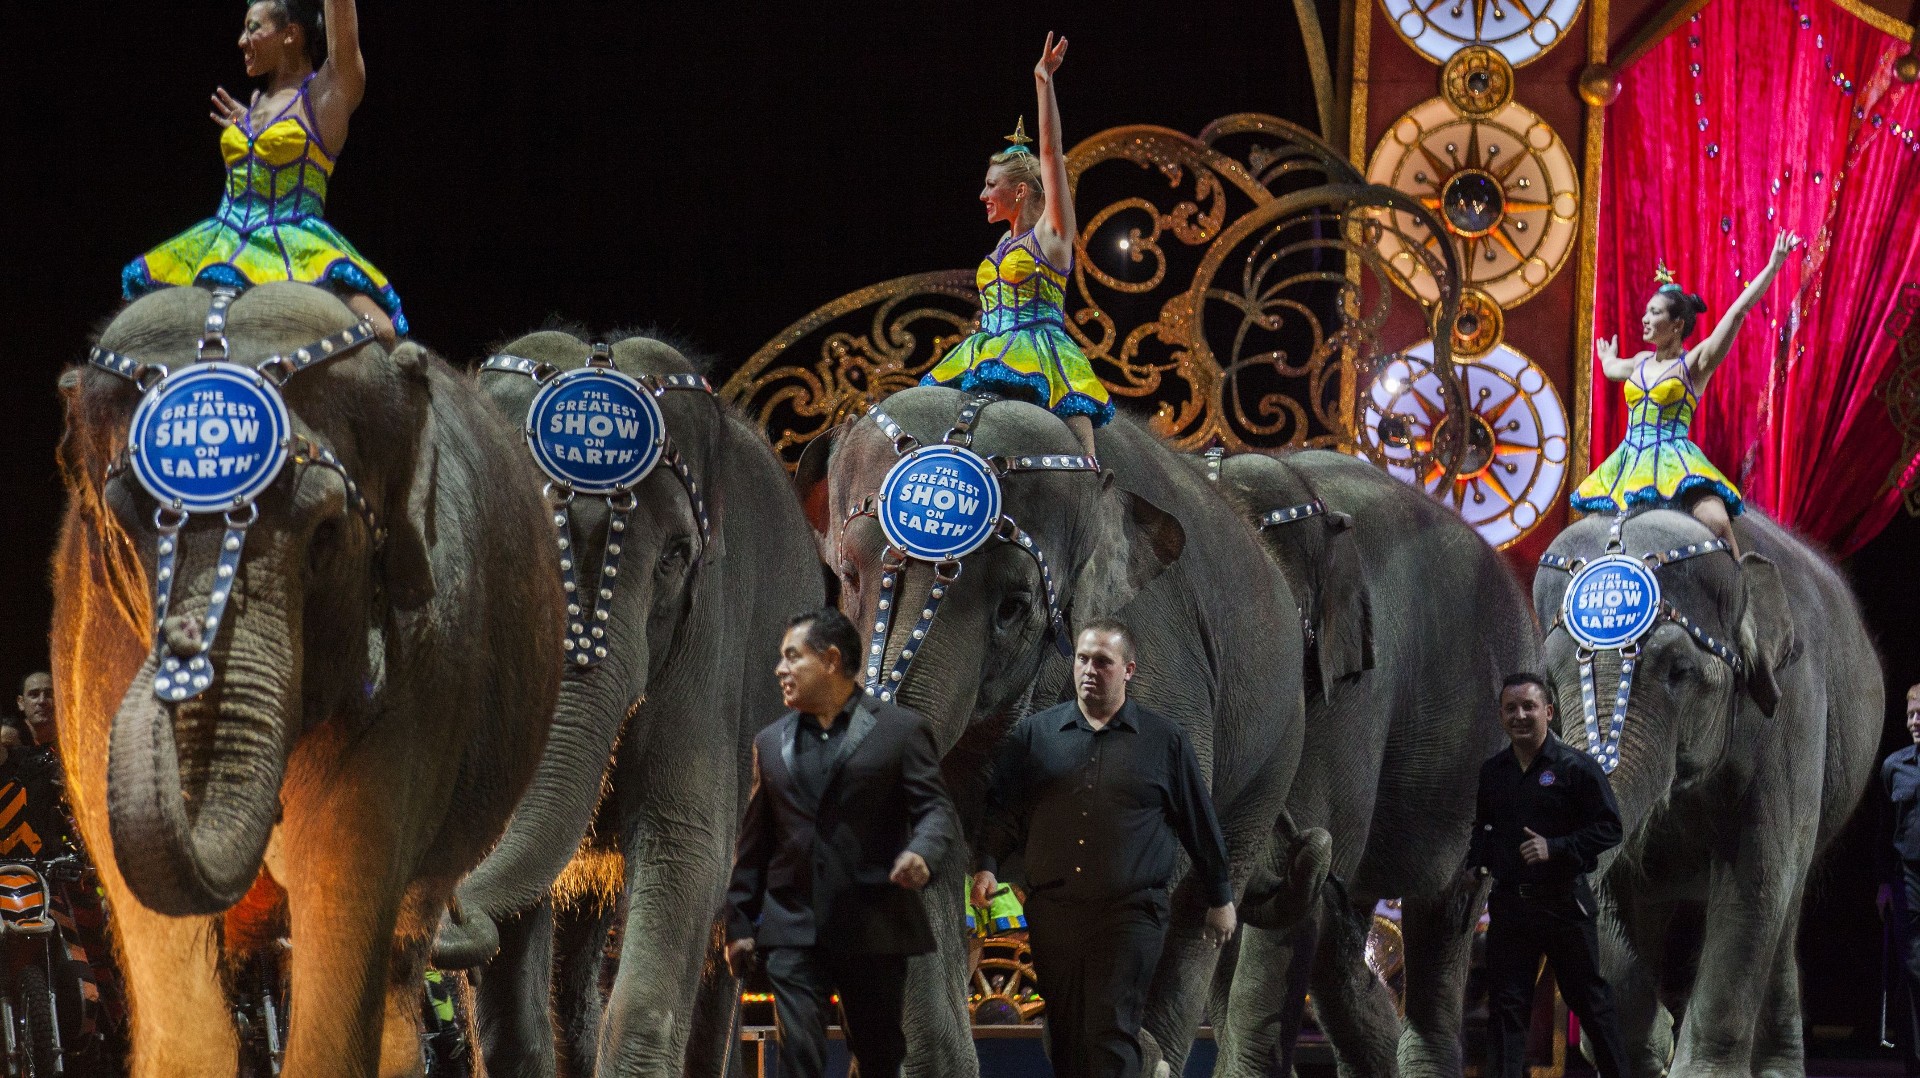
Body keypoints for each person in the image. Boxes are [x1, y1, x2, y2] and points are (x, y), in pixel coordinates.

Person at [972, 619, 1235, 1078]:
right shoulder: (1035, 736)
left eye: (1102, 661)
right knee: (1069, 1037)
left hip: (1130, 912)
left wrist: (1221, 897)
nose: (1089, 669)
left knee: (1109, 1030)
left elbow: (1200, 822)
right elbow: (1002, 812)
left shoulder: (1165, 741)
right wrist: (988, 866)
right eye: (1082, 658)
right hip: (1054, 909)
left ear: (1128, 670)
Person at [724, 608, 959, 1078]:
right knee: (800, 1055)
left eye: (793, 657)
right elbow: (756, 841)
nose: (780, 669)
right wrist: (738, 922)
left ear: (831, 660)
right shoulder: (770, 742)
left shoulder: (901, 731)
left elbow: (936, 810)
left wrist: (923, 853)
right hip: (792, 926)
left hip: (874, 923)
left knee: (878, 1056)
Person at [121, 0, 407, 342]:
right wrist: (253, 128)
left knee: (384, 333)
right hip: (222, 238)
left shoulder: (323, 98)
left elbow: (344, 36)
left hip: (296, 241)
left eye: (253, 28)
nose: (242, 40)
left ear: (290, 34)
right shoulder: (254, 108)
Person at [921, 33, 1111, 459]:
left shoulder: (1051, 236)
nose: (983, 195)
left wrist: (1044, 81)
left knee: (1080, 464)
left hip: (1041, 353)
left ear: (1021, 191)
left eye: (992, 185)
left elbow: (1050, 151)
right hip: (986, 347)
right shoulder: (1005, 242)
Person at [1572, 232, 1801, 556]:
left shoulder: (1695, 364)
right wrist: (1608, 358)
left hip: (1673, 459)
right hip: (1629, 460)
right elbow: (1612, 370)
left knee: (1716, 520)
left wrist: (1774, 266)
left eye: (1655, 313)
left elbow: (1738, 312)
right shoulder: (1639, 362)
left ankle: (1741, 590)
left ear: (1677, 324)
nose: (1645, 318)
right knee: (1590, 534)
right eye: (1646, 311)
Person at [1466, 674, 1630, 1078]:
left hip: (1563, 904)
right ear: (1502, 716)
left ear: (1549, 712)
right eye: (1511, 708)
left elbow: (1611, 828)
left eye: (1529, 707)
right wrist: (1476, 864)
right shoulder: (1493, 772)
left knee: (1591, 1002)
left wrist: (1554, 847)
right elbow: (1483, 827)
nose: (1520, 715)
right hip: (1510, 907)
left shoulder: (1577, 768)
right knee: (1506, 1010)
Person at [1879, 684, 1920, 1073]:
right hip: (1908, 881)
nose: (1914, 721)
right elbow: (1883, 834)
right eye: (1910, 714)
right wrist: (1883, 886)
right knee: (1913, 970)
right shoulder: (1895, 766)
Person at [17, 671, 55, 752]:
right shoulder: (10, 741)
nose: (42, 701)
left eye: (49, 694)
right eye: (34, 695)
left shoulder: (71, 738)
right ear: (21, 702)